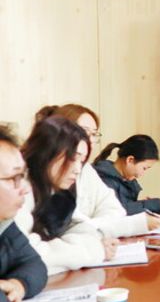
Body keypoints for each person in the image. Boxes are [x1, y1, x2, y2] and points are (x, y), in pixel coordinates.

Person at [35, 104, 160, 236]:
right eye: (84, 131)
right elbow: (71, 227)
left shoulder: (86, 170)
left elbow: (116, 210)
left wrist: (97, 230)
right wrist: (102, 231)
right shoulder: (37, 176)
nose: (90, 140)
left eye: (93, 134)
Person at [15, 116, 116, 275]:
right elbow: (28, 256)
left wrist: (92, 245)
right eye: (72, 158)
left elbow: (80, 226)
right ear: (47, 152)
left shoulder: (59, 192)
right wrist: (94, 251)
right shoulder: (18, 188)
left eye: (82, 161)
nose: (78, 169)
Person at [0, 125, 47, 302]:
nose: (25, 189)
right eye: (14, 178)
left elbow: (34, 264)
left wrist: (17, 285)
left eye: (23, 176)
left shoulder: (4, 225)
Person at [94, 135, 160, 215]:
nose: (141, 174)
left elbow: (125, 205)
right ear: (130, 160)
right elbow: (119, 210)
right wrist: (157, 205)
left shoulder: (122, 179)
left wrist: (140, 204)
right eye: (144, 168)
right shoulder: (103, 179)